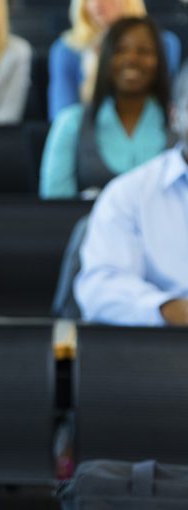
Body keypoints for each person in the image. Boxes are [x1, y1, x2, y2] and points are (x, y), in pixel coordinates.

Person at [74, 61, 188, 327]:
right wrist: (169, 310)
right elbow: (100, 287)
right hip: (163, 353)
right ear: (175, 116)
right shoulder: (129, 194)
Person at [39, 16, 172, 199]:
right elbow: (55, 209)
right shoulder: (70, 123)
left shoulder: (179, 126)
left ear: (160, 61)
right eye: (119, 50)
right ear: (105, 59)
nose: (131, 59)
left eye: (144, 51)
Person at [47, 0, 181, 120]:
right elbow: (61, 115)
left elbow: (171, 104)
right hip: (89, 132)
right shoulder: (66, 49)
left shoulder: (165, 44)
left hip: (150, 126)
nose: (96, 4)